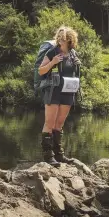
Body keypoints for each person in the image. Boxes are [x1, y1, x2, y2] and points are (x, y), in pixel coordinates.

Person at [37, 26, 81, 167]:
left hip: (68, 91)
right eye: (60, 38)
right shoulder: (52, 52)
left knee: (59, 124)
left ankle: (59, 155)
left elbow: (74, 73)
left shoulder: (73, 54)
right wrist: (53, 62)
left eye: (64, 39)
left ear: (70, 40)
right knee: (49, 123)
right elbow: (41, 71)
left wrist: (78, 65)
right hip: (53, 90)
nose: (61, 41)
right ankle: (48, 156)